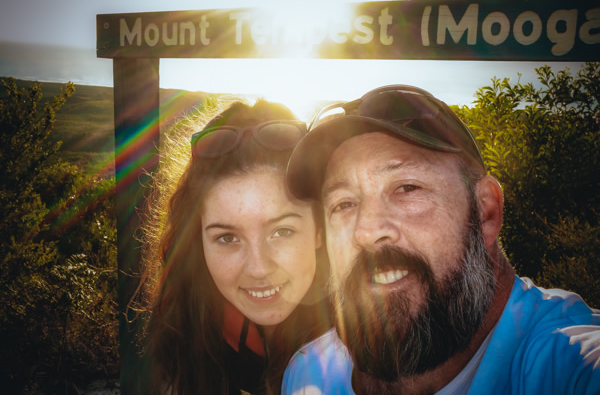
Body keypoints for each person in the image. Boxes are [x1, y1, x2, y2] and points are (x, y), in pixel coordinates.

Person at [282, 85, 600, 394]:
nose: (366, 231)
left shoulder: (568, 363)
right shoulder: (308, 374)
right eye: (344, 204)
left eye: (407, 188)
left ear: (485, 213)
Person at [137, 99, 331, 395]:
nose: (258, 268)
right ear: (197, 240)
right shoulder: (184, 322)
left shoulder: (374, 346)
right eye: (227, 238)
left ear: (320, 229)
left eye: (282, 231)